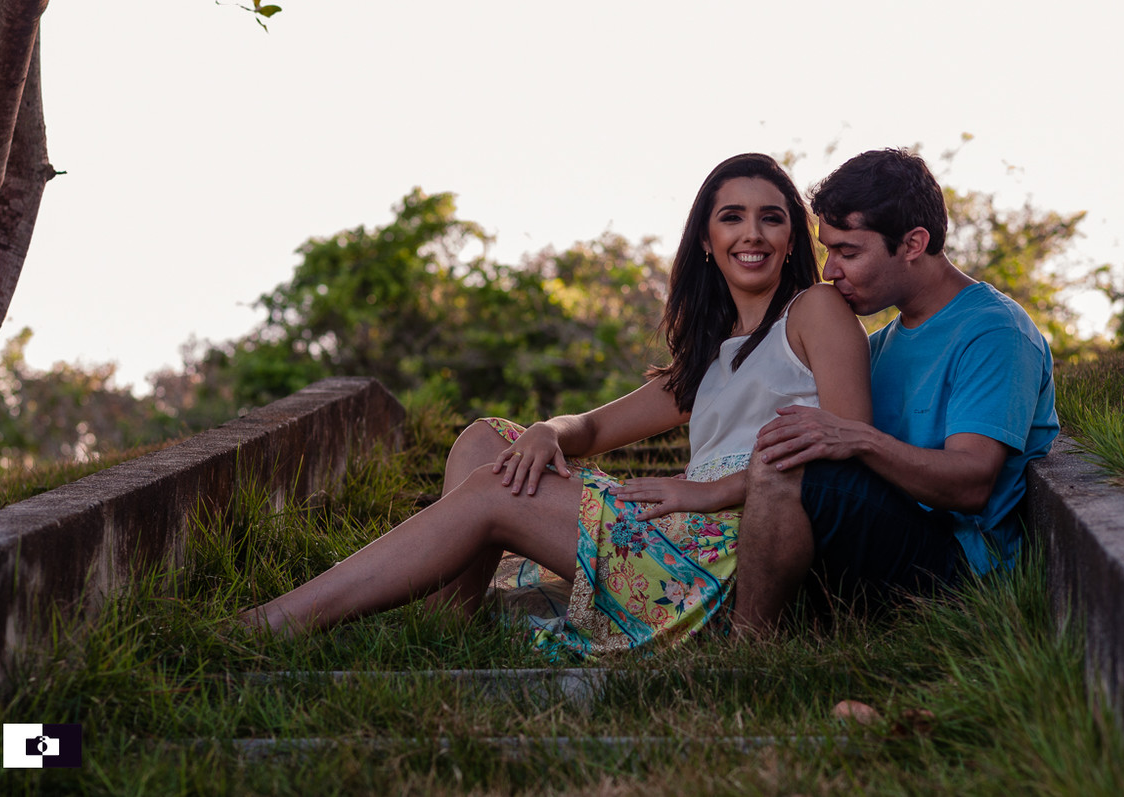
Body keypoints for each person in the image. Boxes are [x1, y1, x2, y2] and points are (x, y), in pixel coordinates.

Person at [240, 153, 872, 656]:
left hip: (729, 556)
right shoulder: (711, 352)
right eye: (732, 217)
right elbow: (594, 426)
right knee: (487, 440)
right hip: (674, 532)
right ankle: (441, 632)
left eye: (772, 217)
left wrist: (708, 491)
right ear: (707, 241)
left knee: (493, 490)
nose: (752, 234)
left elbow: (847, 454)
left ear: (795, 237)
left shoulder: (814, 311)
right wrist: (548, 429)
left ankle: (269, 625)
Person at [732, 148, 1060, 633]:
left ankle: (746, 651)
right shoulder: (880, 344)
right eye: (828, 250)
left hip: (960, 574)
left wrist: (859, 439)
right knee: (784, 451)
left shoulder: (994, 331)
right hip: (889, 540)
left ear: (913, 243)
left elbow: (972, 483)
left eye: (848, 252)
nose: (829, 271)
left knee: (787, 470)